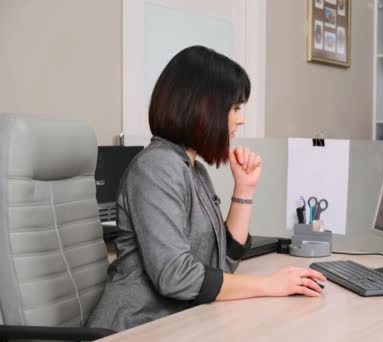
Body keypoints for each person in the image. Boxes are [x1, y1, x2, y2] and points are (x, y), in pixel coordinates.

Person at [87, 46, 326, 331]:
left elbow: (220, 266)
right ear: (203, 107)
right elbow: (175, 276)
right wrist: (268, 285)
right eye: (235, 107)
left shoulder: (193, 170)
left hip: (177, 321)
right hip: (135, 326)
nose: (242, 119)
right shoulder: (156, 168)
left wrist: (244, 190)